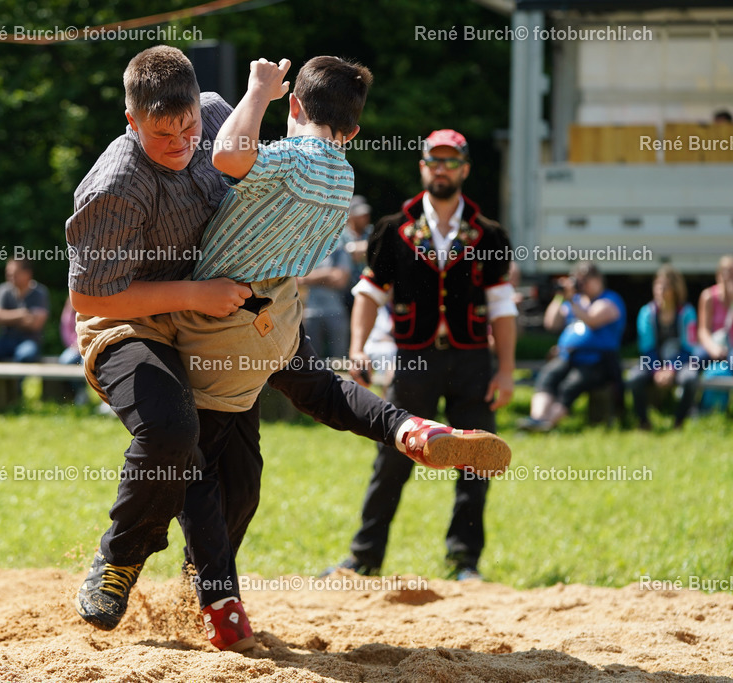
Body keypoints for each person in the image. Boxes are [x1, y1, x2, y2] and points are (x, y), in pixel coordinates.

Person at [66, 46, 510, 652]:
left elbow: (268, 175)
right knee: (175, 433)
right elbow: (92, 298)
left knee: (246, 475)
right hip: (135, 324)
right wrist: (201, 291)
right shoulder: (116, 183)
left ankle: (405, 434)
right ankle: (126, 565)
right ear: (131, 120)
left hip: (227, 314)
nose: (179, 141)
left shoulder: (224, 115)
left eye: (188, 126)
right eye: (161, 132)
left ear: (201, 107)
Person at [326, 129, 518, 582]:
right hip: (413, 361)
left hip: (473, 362)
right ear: (423, 166)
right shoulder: (394, 229)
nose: (443, 169)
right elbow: (369, 294)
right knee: (392, 458)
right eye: (436, 160)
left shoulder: (490, 234)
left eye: (452, 162)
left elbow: (503, 307)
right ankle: (365, 557)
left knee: (478, 459)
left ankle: (464, 562)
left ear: (465, 169)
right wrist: (357, 349)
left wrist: (507, 369)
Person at [519, 261, 626, 432]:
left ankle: (548, 424)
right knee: (548, 376)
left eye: (585, 280)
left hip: (597, 361)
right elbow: (551, 323)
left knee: (570, 385)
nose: (581, 285)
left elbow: (591, 319)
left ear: (597, 279)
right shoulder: (574, 301)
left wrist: (571, 299)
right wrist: (560, 296)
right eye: (578, 280)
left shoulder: (609, 300)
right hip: (567, 357)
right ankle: (536, 419)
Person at [627, 265, 700, 430]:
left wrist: (671, 368)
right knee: (634, 377)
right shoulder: (646, 313)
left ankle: (679, 422)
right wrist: (657, 369)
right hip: (653, 363)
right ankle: (643, 422)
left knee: (690, 378)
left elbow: (688, 348)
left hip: (681, 362)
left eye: (665, 287)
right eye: (658, 286)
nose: (660, 291)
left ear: (675, 289)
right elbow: (647, 348)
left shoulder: (687, 313)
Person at [0, 259, 48, 363]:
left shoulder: (40, 292)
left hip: (29, 341)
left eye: (14, 273)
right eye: (8, 273)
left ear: (27, 274)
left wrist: (5, 317)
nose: (10, 276)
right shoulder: (3, 289)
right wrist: (21, 314)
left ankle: (14, 380)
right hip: (4, 339)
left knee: (26, 355)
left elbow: (35, 324)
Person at [297, 245, 352, 359]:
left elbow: (340, 280)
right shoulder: (308, 249)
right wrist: (328, 274)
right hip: (311, 311)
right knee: (310, 360)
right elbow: (300, 279)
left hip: (336, 311)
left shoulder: (339, 250)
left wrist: (313, 277)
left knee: (339, 360)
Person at [697, 254, 733, 412]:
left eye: (731, 272)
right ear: (718, 274)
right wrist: (713, 348)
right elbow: (703, 330)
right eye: (725, 271)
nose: (728, 276)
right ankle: (690, 398)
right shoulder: (708, 297)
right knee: (694, 361)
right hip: (712, 345)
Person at [341, 194, 373, 309]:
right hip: (345, 292)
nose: (365, 217)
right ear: (350, 216)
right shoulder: (341, 235)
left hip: (368, 287)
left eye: (366, 214)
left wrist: (352, 249)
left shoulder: (371, 232)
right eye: (361, 215)